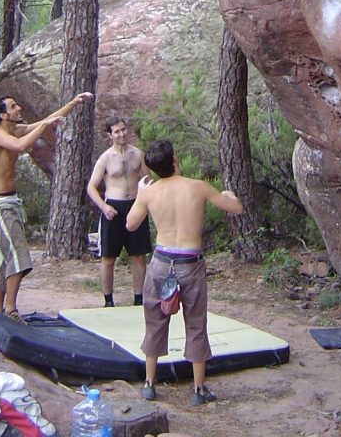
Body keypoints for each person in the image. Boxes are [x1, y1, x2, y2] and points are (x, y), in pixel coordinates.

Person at [126, 139, 244, 406]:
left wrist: (140, 193)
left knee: (154, 320)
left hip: (161, 261)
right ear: (175, 159)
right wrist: (232, 195)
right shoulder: (197, 187)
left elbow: (131, 224)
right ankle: (199, 388)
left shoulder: (149, 192)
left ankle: (149, 383)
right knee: (195, 322)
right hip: (190, 263)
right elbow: (235, 208)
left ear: (153, 169)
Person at [0, 91, 92, 322]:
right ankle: (11, 310)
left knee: (5, 257)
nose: (18, 108)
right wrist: (43, 126)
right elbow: (21, 145)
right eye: (13, 106)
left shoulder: (13, 129)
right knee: (19, 255)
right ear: (3, 115)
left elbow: (45, 121)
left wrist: (73, 103)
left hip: (10, 202)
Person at [86, 115, 152, 307]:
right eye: (117, 131)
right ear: (110, 135)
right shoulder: (105, 158)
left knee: (138, 256)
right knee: (108, 257)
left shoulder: (137, 154)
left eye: (123, 129)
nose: (122, 134)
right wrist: (104, 206)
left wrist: (146, 201)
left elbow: (148, 180)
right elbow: (91, 187)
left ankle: (139, 299)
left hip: (135, 205)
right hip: (113, 208)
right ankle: (108, 300)